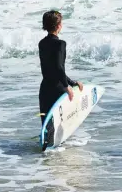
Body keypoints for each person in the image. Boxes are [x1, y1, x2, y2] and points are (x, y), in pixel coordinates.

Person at [38, 10, 83, 150]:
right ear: (58, 26)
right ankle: (55, 155)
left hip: (45, 89)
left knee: (47, 127)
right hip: (57, 89)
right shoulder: (60, 44)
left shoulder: (41, 43)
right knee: (59, 127)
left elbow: (51, 69)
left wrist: (72, 82)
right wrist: (68, 86)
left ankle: (44, 157)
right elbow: (58, 68)